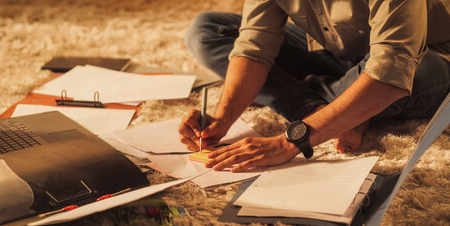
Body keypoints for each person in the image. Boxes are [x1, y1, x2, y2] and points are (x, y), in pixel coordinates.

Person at [179, 0, 450, 173]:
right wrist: (223, 117)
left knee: (402, 77)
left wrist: (291, 140)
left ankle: (342, 105)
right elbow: (255, 46)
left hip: (428, 55)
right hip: (338, 52)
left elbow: (391, 69)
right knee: (208, 29)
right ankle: (333, 108)